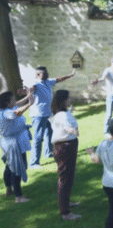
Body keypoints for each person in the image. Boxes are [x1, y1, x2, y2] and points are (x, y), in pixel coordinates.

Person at [29, 66, 76, 168]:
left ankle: (48, 153)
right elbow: (30, 88)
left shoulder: (47, 81)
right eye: (44, 74)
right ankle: (34, 162)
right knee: (38, 137)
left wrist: (70, 75)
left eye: (46, 73)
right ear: (37, 75)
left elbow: (59, 79)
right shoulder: (35, 83)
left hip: (49, 113)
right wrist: (27, 91)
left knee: (49, 134)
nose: (46, 75)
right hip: (38, 115)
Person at [50, 90, 81, 220]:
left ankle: (66, 203)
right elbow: (67, 126)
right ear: (63, 100)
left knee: (67, 177)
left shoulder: (60, 113)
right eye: (69, 97)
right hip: (64, 148)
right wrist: (73, 131)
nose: (70, 99)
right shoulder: (62, 115)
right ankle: (66, 213)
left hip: (66, 147)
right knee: (65, 179)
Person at [0, 90, 33, 202]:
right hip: (13, 144)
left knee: (10, 167)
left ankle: (9, 189)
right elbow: (16, 113)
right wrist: (29, 104)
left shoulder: (7, 109)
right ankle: (18, 197)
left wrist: (28, 96)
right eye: (12, 99)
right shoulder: (6, 113)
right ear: (7, 103)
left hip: (9, 142)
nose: (15, 100)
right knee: (18, 168)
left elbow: (17, 104)